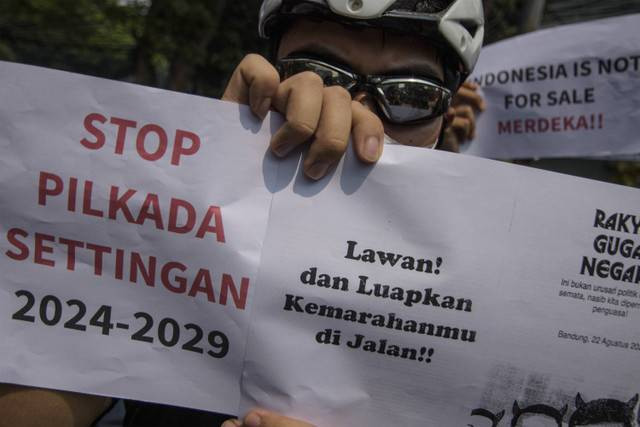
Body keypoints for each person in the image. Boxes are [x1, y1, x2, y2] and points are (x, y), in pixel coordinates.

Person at [0, 1, 485, 426]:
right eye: (317, 73)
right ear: (269, 73)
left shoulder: (487, 307)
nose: (354, 112)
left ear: (444, 119)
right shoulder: (171, 240)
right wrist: (174, 209)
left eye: (409, 96)